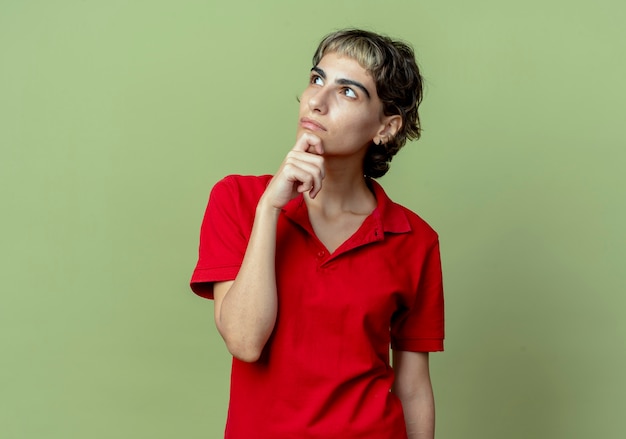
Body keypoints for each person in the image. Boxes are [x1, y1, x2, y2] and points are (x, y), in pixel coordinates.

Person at [190, 28, 444, 439]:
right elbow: (244, 341)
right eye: (316, 79)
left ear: (386, 127)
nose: (317, 101)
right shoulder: (238, 200)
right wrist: (270, 210)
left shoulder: (414, 240)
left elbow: (413, 388)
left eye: (348, 92)